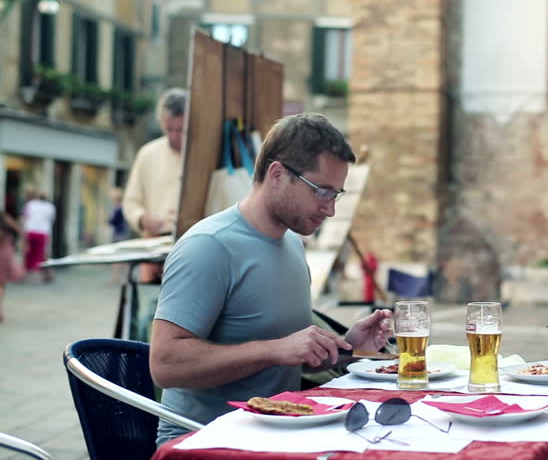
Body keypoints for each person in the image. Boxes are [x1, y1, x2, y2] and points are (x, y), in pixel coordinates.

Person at [149, 113, 393, 446]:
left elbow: (285, 355)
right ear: (277, 174)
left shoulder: (292, 243)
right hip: (206, 439)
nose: (330, 209)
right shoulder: (209, 246)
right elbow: (164, 365)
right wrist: (276, 350)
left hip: (279, 430)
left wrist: (349, 348)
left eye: (335, 194)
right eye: (321, 191)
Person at [122, 87, 187, 284]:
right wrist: (142, 219)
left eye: (180, 130)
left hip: (193, 247)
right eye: (169, 129)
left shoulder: (205, 153)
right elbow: (131, 201)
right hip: (153, 247)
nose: (174, 136)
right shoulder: (148, 154)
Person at [21, 188, 55, 283]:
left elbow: (25, 217)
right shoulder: (50, 207)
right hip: (42, 232)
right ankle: (35, 274)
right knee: (38, 254)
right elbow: (51, 220)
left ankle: (27, 272)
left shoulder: (30, 204)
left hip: (31, 231)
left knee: (29, 252)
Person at [0, 212, 24, 322]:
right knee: (2, 284)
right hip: (6, 253)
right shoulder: (6, 219)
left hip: (2, 254)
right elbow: (19, 230)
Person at [108, 188, 130, 284]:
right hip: (121, 234)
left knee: (118, 257)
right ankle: (124, 277)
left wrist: (110, 218)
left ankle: (116, 277)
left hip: (119, 235)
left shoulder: (119, 209)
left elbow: (113, 221)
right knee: (122, 257)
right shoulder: (121, 208)